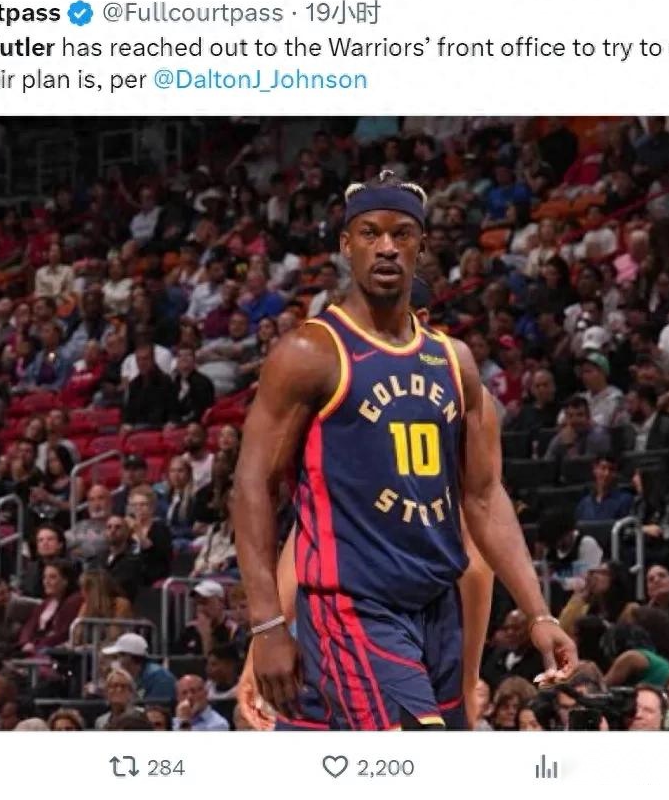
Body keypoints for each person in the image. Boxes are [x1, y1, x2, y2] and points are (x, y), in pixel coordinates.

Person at [234, 173, 575, 730]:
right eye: (371, 232)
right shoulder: (310, 352)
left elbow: (483, 497)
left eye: (402, 234)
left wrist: (538, 613)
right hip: (352, 607)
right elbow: (253, 486)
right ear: (346, 244)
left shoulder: (454, 361)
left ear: (422, 245)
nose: (387, 246)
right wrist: (267, 623)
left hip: (439, 609)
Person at [17, 559, 83, 655]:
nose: (46, 582)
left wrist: (35, 645)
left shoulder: (73, 601)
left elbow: (61, 634)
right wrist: (25, 642)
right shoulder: (46, 602)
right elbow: (29, 626)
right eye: (44, 577)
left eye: (52, 577)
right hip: (34, 648)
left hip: (52, 651)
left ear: (66, 581)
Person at [100, 632, 177, 703]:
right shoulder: (132, 677)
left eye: (117, 657)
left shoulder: (160, 678)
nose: (116, 662)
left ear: (129, 657)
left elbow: (157, 709)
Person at [174, 580, 242, 656]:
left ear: (221, 602)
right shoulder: (190, 629)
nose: (200, 608)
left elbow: (216, 662)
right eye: (197, 604)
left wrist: (206, 637)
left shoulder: (232, 630)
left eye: (204, 602)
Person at [544, 396, 612, 462]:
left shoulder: (598, 436)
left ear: (588, 417)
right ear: (565, 419)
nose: (575, 420)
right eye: (570, 416)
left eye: (580, 415)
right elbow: (546, 464)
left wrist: (570, 446)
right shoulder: (562, 436)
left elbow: (585, 467)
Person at [575, 456, 634, 521]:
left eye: (611, 469)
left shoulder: (625, 500)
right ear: (595, 469)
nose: (607, 474)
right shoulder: (584, 504)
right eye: (603, 468)